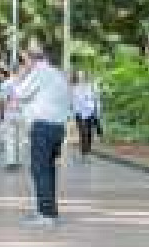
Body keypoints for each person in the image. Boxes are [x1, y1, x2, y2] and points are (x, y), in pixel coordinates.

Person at [12, 44, 71, 226]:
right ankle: (49, 211)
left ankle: (45, 214)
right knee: (49, 170)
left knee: (40, 170)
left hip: (43, 128)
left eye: (24, 62)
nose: (24, 66)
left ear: (31, 60)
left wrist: (19, 77)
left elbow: (19, 94)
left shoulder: (39, 72)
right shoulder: (57, 74)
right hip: (57, 127)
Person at [71, 71, 104, 157]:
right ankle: (84, 150)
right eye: (79, 76)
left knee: (89, 131)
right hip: (79, 113)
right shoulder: (75, 88)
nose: (81, 78)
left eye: (82, 76)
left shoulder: (93, 87)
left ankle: (87, 147)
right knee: (83, 131)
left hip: (90, 112)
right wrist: (72, 112)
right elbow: (73, 102)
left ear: (86, 77)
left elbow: (97, 99)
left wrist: (97, 112)